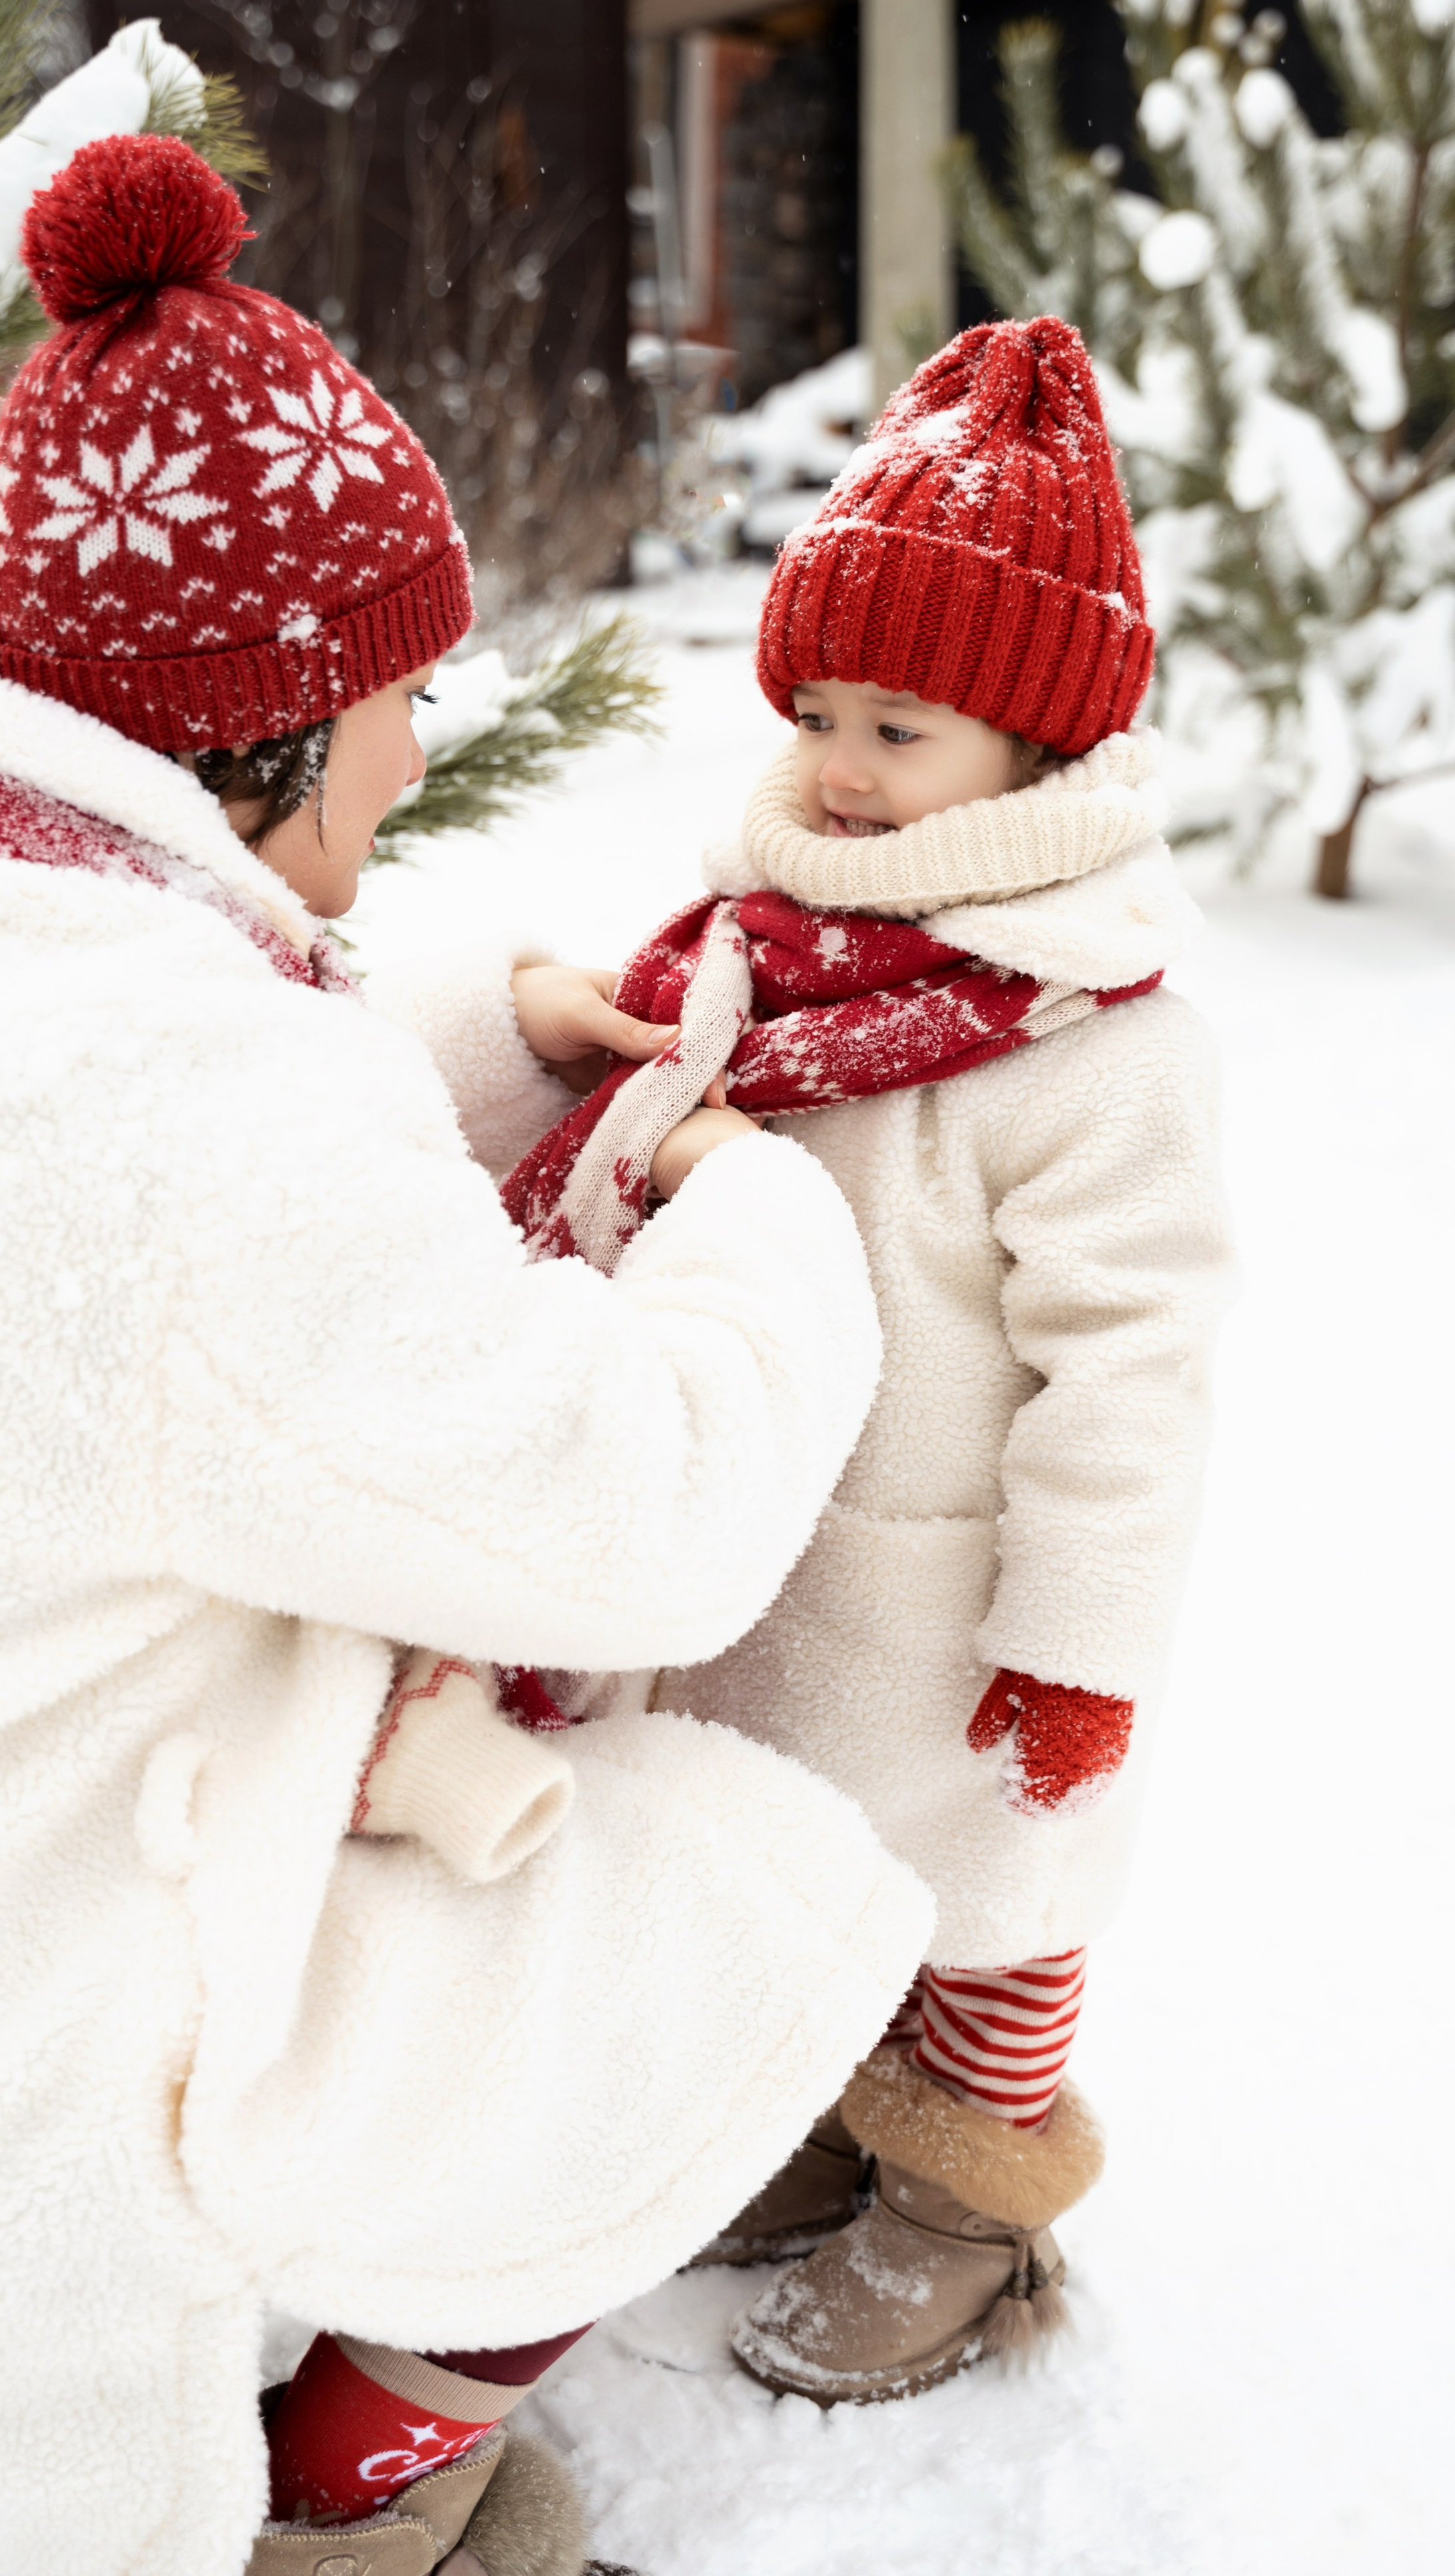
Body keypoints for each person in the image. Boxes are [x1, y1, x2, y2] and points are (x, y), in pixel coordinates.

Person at [0, 139, 936, 2576]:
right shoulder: (204, 1135)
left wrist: (485, 1037)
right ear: (261, 730)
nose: (416, 758)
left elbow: (124, 1190)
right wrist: (755, 1210)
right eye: (396, 701)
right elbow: (647, 1515)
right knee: (731, 1893)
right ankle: (350, 2510)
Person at [504, 316, 1231, 2403]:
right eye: (820, 704)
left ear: (1035, 749)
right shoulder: (766, 932)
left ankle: (974, 2211)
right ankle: (826, 2134)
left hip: (963, 1612)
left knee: (986, 1901)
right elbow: (656, 1116)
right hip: (764, 1538)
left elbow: (1136, 1377)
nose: (836, 762)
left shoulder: (1102, 1043)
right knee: (791, 1865)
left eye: (901, 725)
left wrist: (1075, 1645)